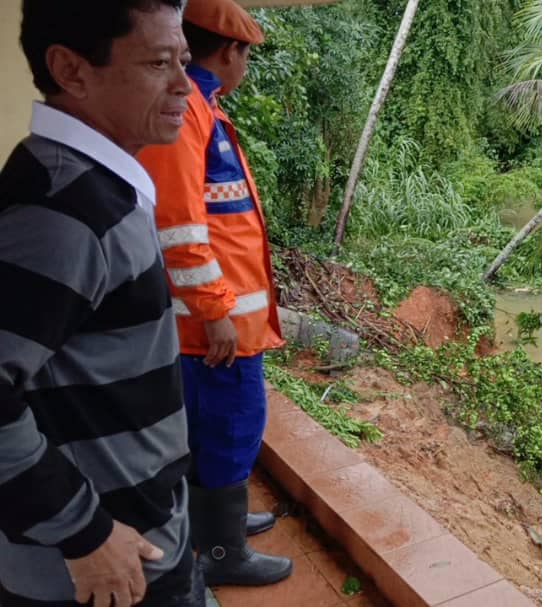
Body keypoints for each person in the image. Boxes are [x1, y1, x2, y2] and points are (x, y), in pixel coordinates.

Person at [0, 1, 203, 606]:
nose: (184, 85)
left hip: (135, 539)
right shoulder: (64, 214)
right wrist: (86, 535)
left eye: (185, 61)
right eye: (159, 62)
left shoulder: (93, 186)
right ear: (71, 69)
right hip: (100, 573)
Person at [137, 0, 292, 588]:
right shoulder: (187, 115)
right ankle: (223, 555)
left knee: (219, 424)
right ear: (230, 52)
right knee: (232, 422)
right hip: (212, 325)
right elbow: (178, 226)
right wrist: (216, 311)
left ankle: (215, 523)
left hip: (219, 317)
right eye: (247, 54)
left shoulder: (205, 109)